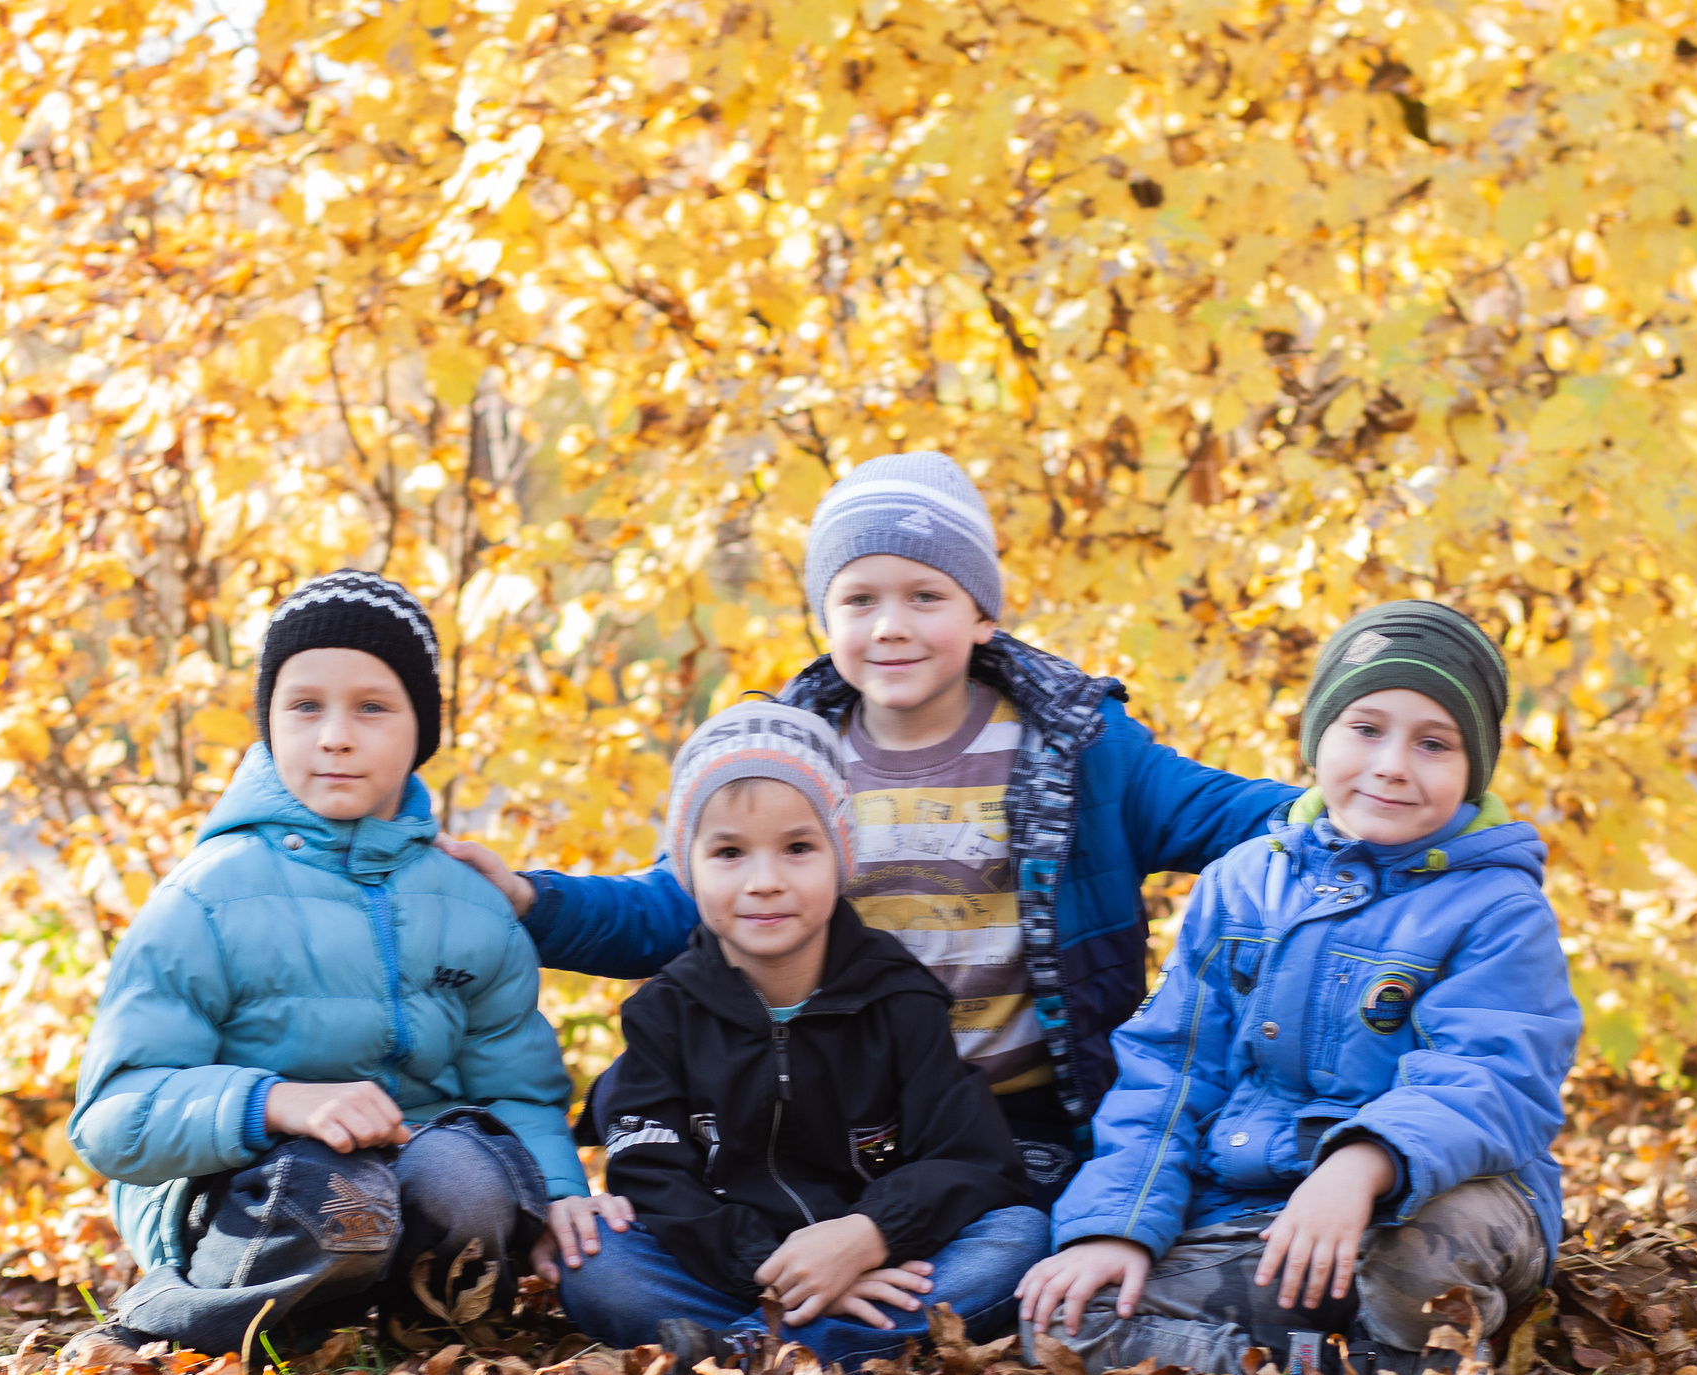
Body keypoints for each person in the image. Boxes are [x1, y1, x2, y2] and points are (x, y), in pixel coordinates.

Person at [443, 452, 1300, 1203]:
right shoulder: (787, 757)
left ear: (982, 615)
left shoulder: (1078, 750)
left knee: (1009, 1250)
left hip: (1022, 1117)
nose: (891, 625)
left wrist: (1355, 799)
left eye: (926, 595)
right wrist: (531, 901)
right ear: (827, 619)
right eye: (860, 599)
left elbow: (1240, 817)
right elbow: (675, 905)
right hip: (833, 1117)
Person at [67, 571, 632, 1361]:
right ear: (268, 722)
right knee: (331, 1188)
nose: (335, 735)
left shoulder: (470, 904)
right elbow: (111, 1117)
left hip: (406, 1175)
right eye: (305, 705)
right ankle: (184, 1321)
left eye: (372, 707)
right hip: (244, 1186)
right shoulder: (208, 898)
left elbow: (516, 1086)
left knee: (467, 1173)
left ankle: (423, 1332)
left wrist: (561, 1192)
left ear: (420, 729)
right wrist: (276, 1102)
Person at [1016, 601, 1580, 1375]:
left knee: (1418, 1261)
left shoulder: (1497, 907)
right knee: (1070, 1320)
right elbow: (1171, 1071)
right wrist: (1116, 1224)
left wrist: (1363, 1163)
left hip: (1437, 1203)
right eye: (1366, 728)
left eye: (1434, 743)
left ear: (1472, 767)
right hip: (1262, 1220)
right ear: (1318, 736)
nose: (1392, 764)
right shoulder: (1242, 883)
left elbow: (1491, 1076)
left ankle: (1416, 1362)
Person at [553, 701, 1048, 1372]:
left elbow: (970, 1156)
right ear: (689, 868)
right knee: (597, 1262)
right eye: (729, 852)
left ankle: (751, 1349)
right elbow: (655, 1177)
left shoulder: (898, 996)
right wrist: (773, 1271)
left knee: (1017, 1235)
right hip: (727, 1264)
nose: (765, 882)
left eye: (797, 848)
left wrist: (868, 1236)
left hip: (878, 1256)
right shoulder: (664, 1012)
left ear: (841, 854)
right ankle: (800, 1337)